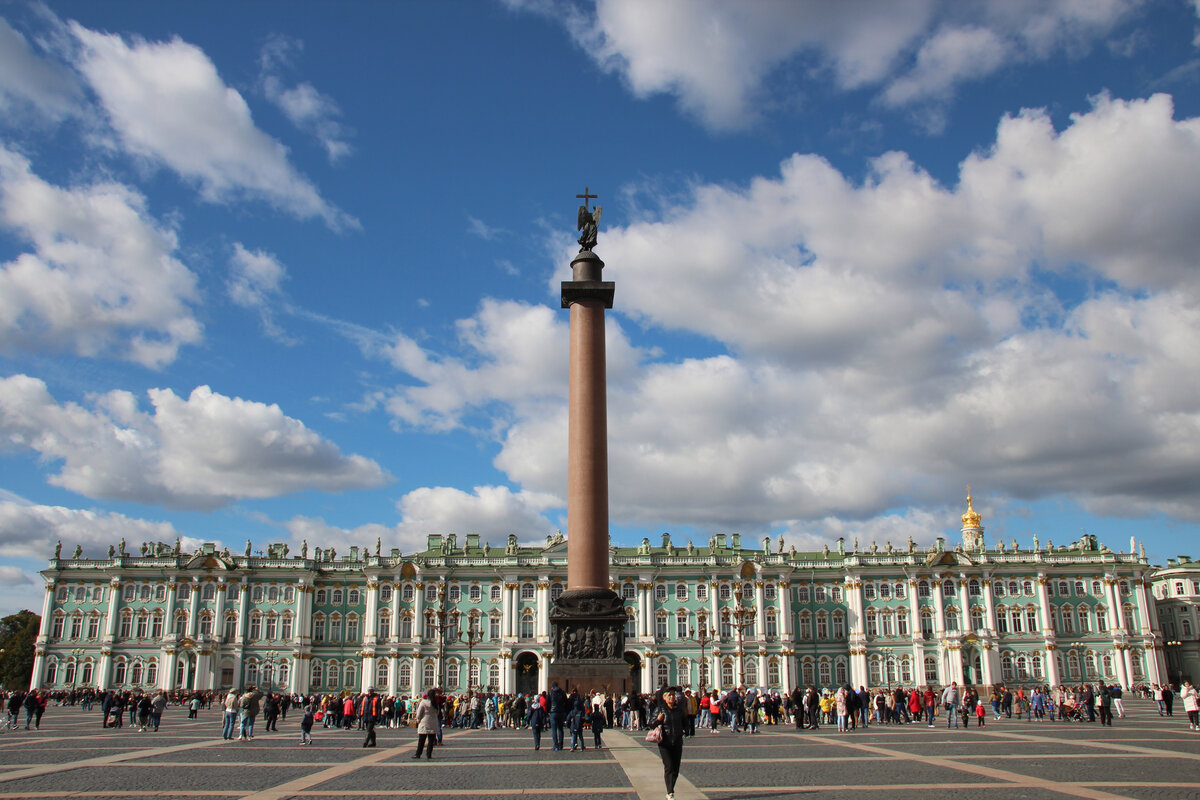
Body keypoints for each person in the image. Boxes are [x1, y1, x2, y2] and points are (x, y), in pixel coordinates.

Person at [651, 687, 687, 800]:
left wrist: (685, 730)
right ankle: (670, 792)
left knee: (676, 769)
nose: (672, 697)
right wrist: (658, 720)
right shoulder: (660, 709)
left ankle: (671, 788)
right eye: (669, 695)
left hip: (677, 742)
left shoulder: (679, 710)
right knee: (669, 766)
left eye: (673, 695)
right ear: (664, 697)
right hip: (664, 743)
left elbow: (686, 723)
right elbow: (651, 723)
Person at [413, 690, 438, 760]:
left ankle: (418, 754)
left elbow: (419, 713)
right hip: (433, 723)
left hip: (424, 722)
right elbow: (437, 712)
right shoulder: (435, 703)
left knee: (421, 740)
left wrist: (418, 719)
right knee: (431, 741)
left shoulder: (423, 702)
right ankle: (429, 754)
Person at [548, 682, 568, 751]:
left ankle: (556, 745)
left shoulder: (550, 693)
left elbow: (548, 703)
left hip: (553, 712)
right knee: (560, 729)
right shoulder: (562, 692)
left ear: (552, 686)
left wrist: (548, 712)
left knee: (554, 730)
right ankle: (561, 745)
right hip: (561, 712)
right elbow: (566, 702)